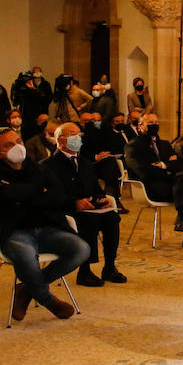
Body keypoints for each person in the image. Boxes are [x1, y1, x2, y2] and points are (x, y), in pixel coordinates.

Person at [0, 127, 90, 321]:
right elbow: (1, 194)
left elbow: (59, 195)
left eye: (19, 141)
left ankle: (27, 289)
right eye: (9, 145)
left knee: (81, 249)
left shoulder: (37, 168)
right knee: (27, 256)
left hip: (45, 227)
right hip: (13, 230)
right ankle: (47, 299)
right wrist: (38, 191)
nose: (18, 147)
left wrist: (21, 196)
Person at [44, 122, 125, 286]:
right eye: (73, 134)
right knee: (89, 221)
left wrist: (101, 199)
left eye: (78, 134)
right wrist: (74, 203)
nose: (78, 138)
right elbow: (50, 195)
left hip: (89, 207)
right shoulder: (47, 165)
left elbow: (95, 188)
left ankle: (109, 267)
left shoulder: (85, 163)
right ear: (62, 140)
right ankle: (85, 270)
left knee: (112, 218)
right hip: (65, 210)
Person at [124, 113, 183, 231]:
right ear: (141, 125)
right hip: (151, 186)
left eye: (156, 123)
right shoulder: (133, 146)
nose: (154, 125)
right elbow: (143, 170)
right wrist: (169, 171)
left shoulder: (165, 144)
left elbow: (180, 164)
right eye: (150, 123)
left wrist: (164, 165)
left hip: (172, 184)